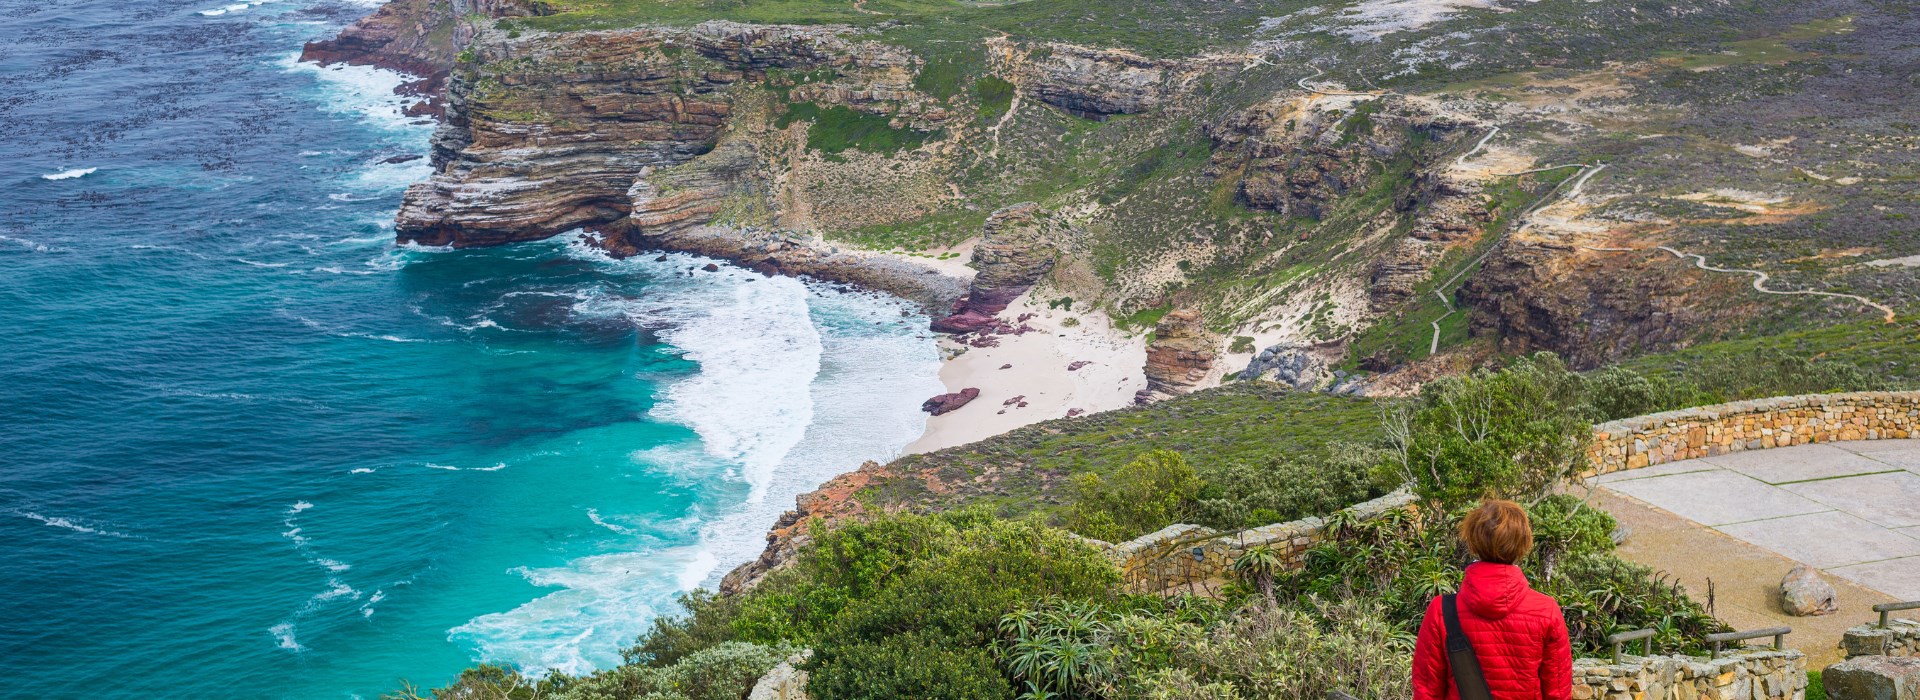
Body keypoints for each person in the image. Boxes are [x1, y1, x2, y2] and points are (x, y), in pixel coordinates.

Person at [1412, 499, 1572, 700]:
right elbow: (1558, 693)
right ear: (1523, 543)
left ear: (1473, 540)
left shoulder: (1442, 610)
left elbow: (1426, 692)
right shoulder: (1546, 611)